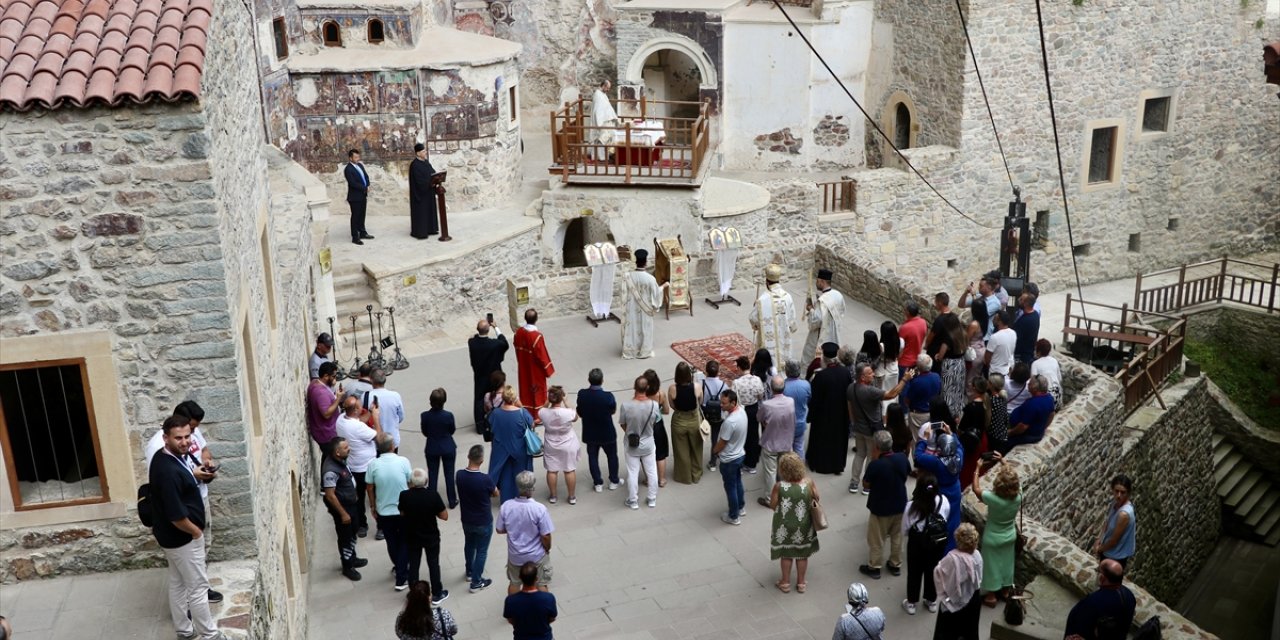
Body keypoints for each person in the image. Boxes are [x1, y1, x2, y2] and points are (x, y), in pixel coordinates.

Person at [148, 416, 226, 640]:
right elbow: (176, 515)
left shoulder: (168, 458)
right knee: (198, 588)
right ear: (165, 438)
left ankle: (184, 630)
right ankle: (210, 635)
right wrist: (196, 532)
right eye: (178, 438)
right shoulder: (168, 471)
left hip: (171, 537)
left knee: (177, 583)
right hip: (182, 537)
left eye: (186, 437)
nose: (184, 442)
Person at [143, 402, 222, 602]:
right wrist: (194, 531)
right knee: (185, 567)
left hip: (198, 497)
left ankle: (200, 589)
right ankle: (196, 599)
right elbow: (165, 483)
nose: (190, 438)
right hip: (182, 510)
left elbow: (203, 450)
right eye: (184, 435)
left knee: (204, 547)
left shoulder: (189, 432)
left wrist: (206, 463)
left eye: (192, 432)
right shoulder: (157, 448)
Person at [848, 363, 910, 490]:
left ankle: (854, 482)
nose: (873, 375)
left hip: (858, 428)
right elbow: (892, 394)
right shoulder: (870, 391)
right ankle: (867, 484)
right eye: (870, 373)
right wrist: (904, 379)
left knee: (860, 454)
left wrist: (853, 422)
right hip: (872, 430)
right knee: (871, 455)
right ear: (862, 377)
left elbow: (849, 407)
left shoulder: (850, 388)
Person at [859, 430, 910, 581]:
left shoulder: (876, 465)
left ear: (876, 447)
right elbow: (906, 473)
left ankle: (874, 567)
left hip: (880, 507)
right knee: (897, 536)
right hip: (900, 504)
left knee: (877, 538)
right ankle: (895, 564)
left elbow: (866, 484)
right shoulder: (901, 458)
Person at [495, 471, 554, 594]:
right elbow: (546, 535)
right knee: (541, 583)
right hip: (536, 555)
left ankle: (513, 606)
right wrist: (547, 548)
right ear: (533, 487)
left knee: (514, 583)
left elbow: (499, 529)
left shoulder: (506, 506)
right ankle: (542, 606)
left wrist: (511, 529)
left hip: (515, 555)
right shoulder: (539, 509)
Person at [367, 433, 413, 589]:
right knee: (405, 541)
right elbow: (410, 481)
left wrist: (373, 506)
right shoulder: (403, 461)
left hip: (384, 511)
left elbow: (370, 487)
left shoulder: (373, 465)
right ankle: (402, 577)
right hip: (403, 510)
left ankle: (399, 566)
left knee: (392, 542)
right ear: (392, 446)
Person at [973, 458, 1021, 607]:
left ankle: (991, 596)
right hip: (1009, 535)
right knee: (1007, 563)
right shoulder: (1019, 497)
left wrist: (977, 468)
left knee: (991, 566)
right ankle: (1006, 591)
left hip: (992, 536)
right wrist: (1003, 461)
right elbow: (1013, 478)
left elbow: (976, 489)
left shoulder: (992, 498)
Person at [770, 452, 820, 593]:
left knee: (786, 553)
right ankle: (801, 583)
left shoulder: (779, 486)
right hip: (803, 524)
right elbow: (817, 498)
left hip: (784, 525)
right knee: (801, 554)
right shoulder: (808, 483)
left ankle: (785, 583)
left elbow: (773, 505)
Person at [901, 472, 950, 615]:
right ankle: (931, 600)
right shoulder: (943, 501)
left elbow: (905, 527)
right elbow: (945, 516)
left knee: (914, 571)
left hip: (917, 542)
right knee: (933, 570)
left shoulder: (911, 506)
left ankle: (911, 602)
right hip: (936, 542)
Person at [398, 468, 449, 601]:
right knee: (433, 564)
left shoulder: (404, 495)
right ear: (426, 481)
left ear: (411, 482)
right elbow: (444, 516)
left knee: (414, 565)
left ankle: (414, 593)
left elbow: (402, 513)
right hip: (430, 536)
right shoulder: (433, 495)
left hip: (412, 536)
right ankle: (437, 592)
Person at [321, 436, 367, 581]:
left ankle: (352, 557)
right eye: (346, 448)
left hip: (351, 505)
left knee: (353, 532)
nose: (349, 449)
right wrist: (343, 514)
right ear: (337, 452)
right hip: (344, 508)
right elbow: (330, 495)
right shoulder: (330, 470)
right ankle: (347, 566)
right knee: (345, 537)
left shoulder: (340, 461)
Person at [337, 394, 381, 537]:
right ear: (355, 409)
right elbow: (379, 438)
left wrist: (367, 413)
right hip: (367, 466)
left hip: (353, 466)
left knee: (359, 498)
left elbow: (358, 421)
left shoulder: (341, 420)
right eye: (359, 406)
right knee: (376, 496)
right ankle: (380, 527)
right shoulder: (358, 427)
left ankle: (362, 525)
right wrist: (375, 417)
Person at [456, 444, 498, 593]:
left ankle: (469, 571)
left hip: (466, 519)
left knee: (469, 544)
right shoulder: (485, 479)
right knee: (481, 551)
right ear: (481, 460)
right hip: (483, 520)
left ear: (468, 457)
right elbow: (496, 493)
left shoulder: (459, 475)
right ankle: (476, 581)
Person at [807, 342, 853, 475]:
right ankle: (837, 465)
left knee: (822, 439)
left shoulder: (821, 376)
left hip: (824, 415)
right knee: (838, 440)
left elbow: (814, 399)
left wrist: (811, 415)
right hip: (841, 413)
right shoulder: (845, 372)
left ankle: (820, 464)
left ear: (824, 358)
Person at [933, 523, 985, 640]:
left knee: (948, 632)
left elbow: (939, 572)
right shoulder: (978, 555)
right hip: (973, 599)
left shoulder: (952, 558)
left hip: (954, 599)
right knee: (970, 630)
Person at [916, 426, 963, 551]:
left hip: (941, 492)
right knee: (954, 518)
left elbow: (918, 456)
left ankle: (940, 545)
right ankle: (953, 544)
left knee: (940, 518)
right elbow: (959, 446)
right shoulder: (959, 457)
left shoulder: (937, 462)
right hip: (955, 489)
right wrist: (952, 433)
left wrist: (924, 439)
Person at [1064, 559, 1137, 640]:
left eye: (1098, 570)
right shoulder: (1130, 596)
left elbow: (1075, 630)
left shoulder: (1092, 602)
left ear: (1102, 578)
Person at [620, 376, 661, 509]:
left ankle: (633, 500)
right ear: (647, 388)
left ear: (634, 387)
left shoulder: (626, 406)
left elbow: (623, 424)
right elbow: (655, 422)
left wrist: (630, 433)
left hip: (632, 443)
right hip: (648, 442)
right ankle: (651, 498)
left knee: (632, 472)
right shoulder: (654, 405)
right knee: (651, 471)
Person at [489, 386, 536, 503]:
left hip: (501, 449)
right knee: (521, 474)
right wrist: (521, 406)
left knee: (505, 475)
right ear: (515, 398)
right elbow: (532, 424)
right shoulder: (522, 413)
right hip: (519, 449)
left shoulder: (496, 413)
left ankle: (506, 500)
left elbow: (491, 426)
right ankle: (521, 498)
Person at [577, 368, 620, 492]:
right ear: (602, 380)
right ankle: (613, 480)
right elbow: (613, 410)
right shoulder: (608, 397)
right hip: (607, 433)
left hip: (590, 433)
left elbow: (580, 411)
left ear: (589, 380)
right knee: (612, 456)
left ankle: (597, 483)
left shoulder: (582, 394)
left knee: (593, 457)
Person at [756, 375, 796, 506]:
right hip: (786, 442)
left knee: (770, 473)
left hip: (771, 443)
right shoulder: (790, 401)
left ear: (771, 389)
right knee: (784, 470)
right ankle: (786, 494)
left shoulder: (767, 405)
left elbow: (759, 418)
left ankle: (770, 499)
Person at [750, 263, 798, 366]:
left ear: (767, 282)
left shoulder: (762, 300)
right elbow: (792, 319)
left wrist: (756, 306)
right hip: (783, 336)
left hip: (768, 341)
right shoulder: (787, 296)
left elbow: (753, 319)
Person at [538, 386, 580, 504]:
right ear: (561, 398)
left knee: (552, 470)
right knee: (569, 470)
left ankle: (553, 496)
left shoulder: (543, 412)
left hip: (551, 444)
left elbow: (541, 411)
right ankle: (571, 497)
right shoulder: (567, 413)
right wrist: (567, 402)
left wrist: (547, 401)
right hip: (568, 443)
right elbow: (576, 416)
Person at [621, 249, 665, 359]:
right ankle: (644, 351)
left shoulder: (627, 276)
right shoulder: (650, 279)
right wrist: (665, 286)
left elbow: (623, 293)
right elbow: (656, 294)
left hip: (631, 307)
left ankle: (631, 350)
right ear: (645, 262)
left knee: (633, 328)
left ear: (636, 261)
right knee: (644, 328)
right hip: (645, 308)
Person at [514, 309, 555, 421]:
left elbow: (516, 347)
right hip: (535, 370)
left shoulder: (519, 332)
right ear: (536, 319)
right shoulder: (537, 337)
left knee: (525, 388)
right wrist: (548, 370)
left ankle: (527, 413)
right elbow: (542, 355)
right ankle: (538, 415)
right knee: (537, 390)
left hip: (523, 366)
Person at [714, 389, 748, 525]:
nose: (721, 405)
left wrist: (715, 451)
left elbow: (722, 442)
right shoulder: (742, 412)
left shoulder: (730, 422)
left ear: (733, 403)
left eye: (724, 403)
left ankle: (733, 516)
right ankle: (741, 507)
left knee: (731, 487)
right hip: (739, 454)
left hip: (729, 459)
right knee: (738, 482)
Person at [469, 318, 509, 431]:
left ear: (477, 330)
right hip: (494, 375)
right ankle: (498, 419)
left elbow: (474, 337)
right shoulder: (495, 344)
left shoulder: (472, 343)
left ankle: (480, 425)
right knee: (498, 395)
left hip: (480, 376)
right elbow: (504, 343)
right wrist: (496, 327)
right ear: (488, 330)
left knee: (479, 398)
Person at [667, 362, 704, 485]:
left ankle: (684, 476)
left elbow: (672, 405)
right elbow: (700, 401)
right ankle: (696, 474)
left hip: (679, 420)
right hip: (693, 419)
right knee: (696, 448)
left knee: (681, 450)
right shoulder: (697, 387)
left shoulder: (672, 389)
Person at [421, 388, 458, 509]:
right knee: (449, 474)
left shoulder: (425, 416)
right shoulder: (448, 415)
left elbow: (425, 432)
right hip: (447, 446)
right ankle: (452, 500)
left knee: (432, 474)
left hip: (432, 447)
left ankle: (432, 502)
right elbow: (452, 430)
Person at [504, 561, 558, 640]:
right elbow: (552, 618)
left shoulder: (511, 601)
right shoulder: (548, 598)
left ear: (520, 577)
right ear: (536, 578)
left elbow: (510, 620)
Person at [802, 268, 846, 364]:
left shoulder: (822, 301)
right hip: (834, 332)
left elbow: (815, 322)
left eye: (817, 281)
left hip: (821, 334)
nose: (816, 283)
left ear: (822, 282)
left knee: (811, 356)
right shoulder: (838, 294)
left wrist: (810, 309)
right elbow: (842, 311)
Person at [733, 354, 766, 474]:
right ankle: (752, 464)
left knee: (741, 437)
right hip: (754, 409)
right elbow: (761, 395)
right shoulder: (757, 379)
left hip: (742, 410)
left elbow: (734, 399)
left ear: (740, 368)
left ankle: (741, 463)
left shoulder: (736, 383)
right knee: (753, 435)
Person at [1094, 474, 1136, 568]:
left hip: (1115, 557)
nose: (1118, 495)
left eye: (1122, 492)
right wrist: (1099, 539)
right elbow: (1107, 523)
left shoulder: (1124, 514)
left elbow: (1114, 541)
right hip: (1108, 551)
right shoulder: (1115, 503)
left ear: (1128, 493)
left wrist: (1099, 549)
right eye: (1116, 491)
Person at [957, 377, 992, 491]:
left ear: (974, 388)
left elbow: (961, 428)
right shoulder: (986, 403)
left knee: (968, 466)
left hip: (970, 440)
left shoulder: (970, 408)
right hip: (981, 439)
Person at [1007, 375, 1055, 448]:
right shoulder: (1049, 398)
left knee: (1003, 442)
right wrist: (1042, 427)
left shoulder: (1032, 404)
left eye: (1029, 384)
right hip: (1036, 432)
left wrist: (1010, 432)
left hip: (1026, 435)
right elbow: (1052, 414)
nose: (1028, 385)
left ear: (1034, 388)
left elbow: (1023, 427)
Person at [936, 312, 969, 418]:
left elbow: (941, 355)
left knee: (947, 389)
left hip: (949, 365)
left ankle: (947, 412)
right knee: (958, 388)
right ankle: (957, 411)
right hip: (960, 363)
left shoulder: (948, 337)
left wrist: (937, 356)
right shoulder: (963, 333)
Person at [642, 369, 671, 487]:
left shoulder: (641, 395)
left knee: (646, 454)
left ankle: (649, 479)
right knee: (661, 453)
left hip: (645, 426)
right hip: (658, 425)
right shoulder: (660, 394)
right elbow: (667, 410)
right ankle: (662, 479)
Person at [700, 360, 729, 471]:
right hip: (719, 416)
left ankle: (709, 462)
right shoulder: (723, 385)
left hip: (706, 415)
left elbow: (700, 400)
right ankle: (714, 459)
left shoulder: (702, 384)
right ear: (718, 372)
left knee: (706, 437)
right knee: (716, 438)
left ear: (706, 372)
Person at [900, 355, 941, 431]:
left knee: (918, 439)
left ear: (918, 366)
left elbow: (906, 400)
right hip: (933, 413)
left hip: (918, 416)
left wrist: (907, 380)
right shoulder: (937, 376)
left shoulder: (916, 382)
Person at [307, 362, 345, 445]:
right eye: (333, 376)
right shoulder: (321, 392)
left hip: (324, 432)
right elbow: (326, 414)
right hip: (326, 435)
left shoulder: (315, 382)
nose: (335, 379)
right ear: (326, 376)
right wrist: (338, 398)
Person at [368, 369, 406, 451]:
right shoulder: (395, 396)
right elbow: (401, 416)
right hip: (392, 440)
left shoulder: (366, 396)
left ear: (371, 380)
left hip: (374, 442)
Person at [408, 142, 438, 239]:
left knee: (430, 211)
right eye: (423, 151)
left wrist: (436, 178)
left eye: (425, 151)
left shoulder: (426, 162)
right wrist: (429, 183)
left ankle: (431, 229)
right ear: (418, 153)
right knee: (422, 213)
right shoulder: (414, 165)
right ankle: (421, 232)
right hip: (420, 194)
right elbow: (418, 181)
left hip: (429, 191)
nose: (425, 152)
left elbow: (432, 172)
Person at [782, 360, 812, 456]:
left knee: (787, 451)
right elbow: (809, 400)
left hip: (786, 425)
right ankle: (799, 469)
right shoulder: (806, 385)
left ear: (786, 371)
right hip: (800, 423)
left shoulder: (782, 386)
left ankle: (787, 469)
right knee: (799, 448)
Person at [344, 148, 373, 245]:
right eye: (355, 157)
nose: (357, 158)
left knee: (362, 215)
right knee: (355, 216)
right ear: (350, 158)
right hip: (355, 197)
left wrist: (368, 184)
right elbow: (352, 183)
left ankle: (363, 233)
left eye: (358, 156)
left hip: (363, 195)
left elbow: (366, 176)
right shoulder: (348, 169)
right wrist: (364, 188)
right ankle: (355, 237)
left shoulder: (360, 165)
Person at [899, 301, 928, 379]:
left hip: (904, 362)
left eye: (904, 310)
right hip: (916, 360)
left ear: (908, 312)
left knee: (903, 386)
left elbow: (899, 346)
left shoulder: (905, 328)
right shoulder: (923, 322)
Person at [1031, 338, 1063, 410]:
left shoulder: (1035, 364)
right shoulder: (1054, 361)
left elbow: (1033, 384)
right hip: (1057, 396)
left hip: (1045, 397)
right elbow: (1059, 379)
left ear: (1038, 351)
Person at [985, 310, 1017, 377]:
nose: (993, 320)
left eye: (995, 318)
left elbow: (987, 357)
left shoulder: (995, 337)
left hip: (995, 372)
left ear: (999, 321)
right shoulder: (1013, 333)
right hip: (1007, 370)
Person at [1012, 292, 1041, 364]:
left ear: (1026, 304)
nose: (1018, 300)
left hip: (1022, 355)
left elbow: (1017, 337)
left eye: (1021, 299)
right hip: (1028, 352)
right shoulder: (1035, 315)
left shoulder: (1026, 320)